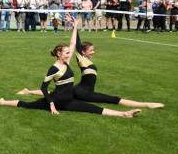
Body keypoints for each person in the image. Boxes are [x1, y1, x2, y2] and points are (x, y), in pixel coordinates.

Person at [0, 15, 141, 117]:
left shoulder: (66, 62)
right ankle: (3, 102)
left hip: (68, 101)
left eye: (69, 53)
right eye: (66, 53)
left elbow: (72, 44)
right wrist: (51, 104)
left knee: (93, 109)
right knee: (27, 105)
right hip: (56, 101)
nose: (68, 55)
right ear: (59, 53)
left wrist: (75, 26)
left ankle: (124, 114)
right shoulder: (54, 69)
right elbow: (44, 88)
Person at [17, 16, 164, 109]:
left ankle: (28, 91)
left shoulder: (86, 59)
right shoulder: (81, 58)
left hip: (82, 90)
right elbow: (75, 42)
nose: (93, 52)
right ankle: (146, 104)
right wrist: (75, 27)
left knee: (55, 92)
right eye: (91, 51)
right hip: (83, 92)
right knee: (113, 100)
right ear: (84, 52)